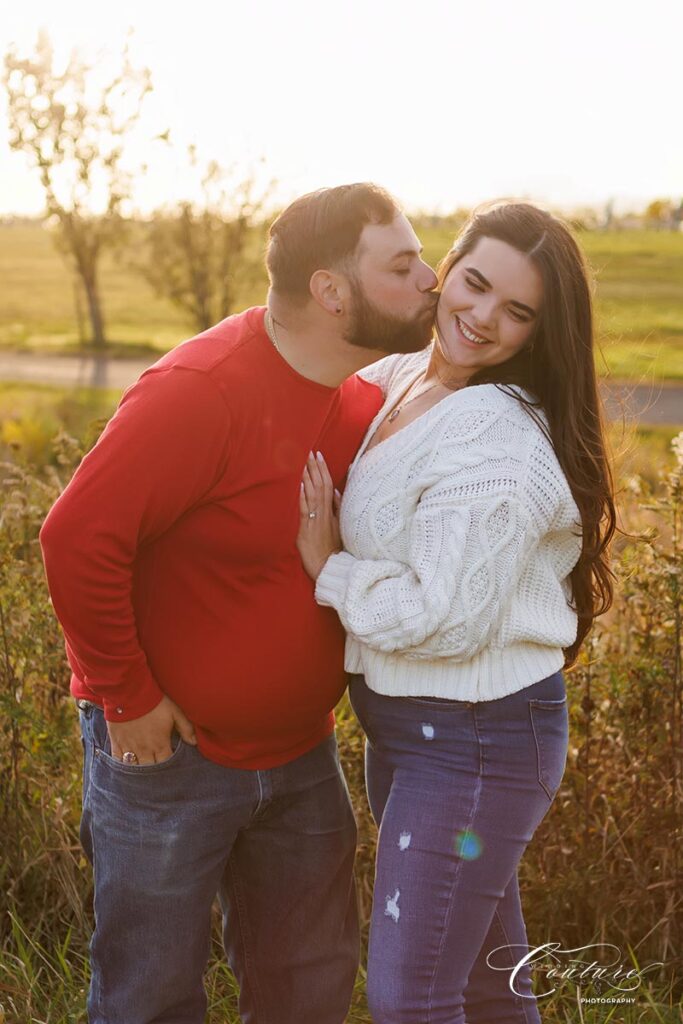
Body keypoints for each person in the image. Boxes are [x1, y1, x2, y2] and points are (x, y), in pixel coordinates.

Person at [39, 182, 438, 1024]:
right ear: (332, 291)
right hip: (169, 761)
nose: (430, 279)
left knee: (311, 986)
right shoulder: (200, 390)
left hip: (299, 757)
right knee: (150, 996)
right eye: (402, 265)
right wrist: (127, 695)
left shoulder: (358, 398)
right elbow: (77, 538)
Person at [297, 202, 616, 1024]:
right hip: (421, 729)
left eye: (516, 312)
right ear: (447, 265)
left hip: (474, 740)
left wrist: (329, 569)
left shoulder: (491, 438)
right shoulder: (410, 376)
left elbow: (445, 617)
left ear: (540, 331)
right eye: (472, 285)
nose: (480, 318)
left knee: (413, 1000)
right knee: (480, 983)